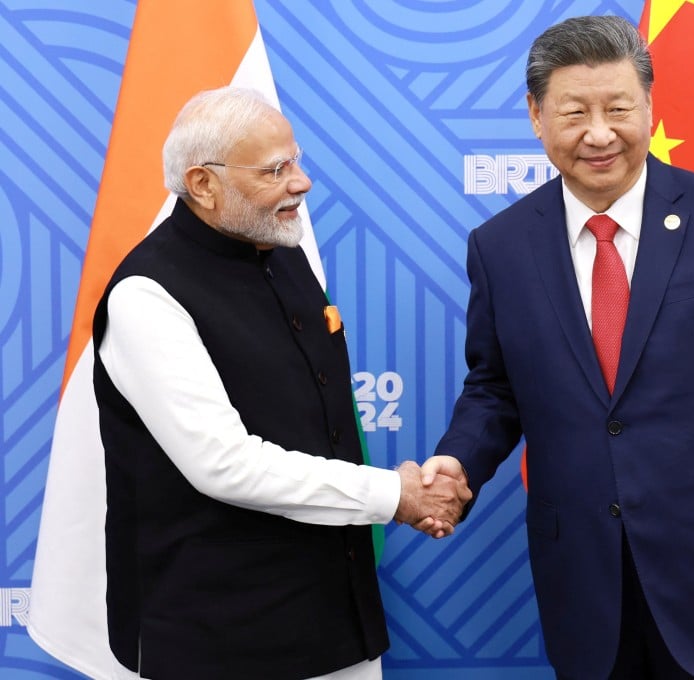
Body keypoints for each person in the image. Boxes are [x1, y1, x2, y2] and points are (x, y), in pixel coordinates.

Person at [422, 15, 694, 680]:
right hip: (586, 582)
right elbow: (494, 387)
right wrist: (458, 461)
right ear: (535, 116)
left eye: (618, 108)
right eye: (573, 112)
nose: (598, 133)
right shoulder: (499, 248)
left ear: (648, 105)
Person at [93, 86, 470, 680]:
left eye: (296, 160)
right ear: (203, 184)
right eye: (276, 169)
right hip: (221, 636)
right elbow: (224, 465)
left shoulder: (281, 249)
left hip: (337, 616)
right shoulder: (147, 294)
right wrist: (395, 495)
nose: (302, 183)